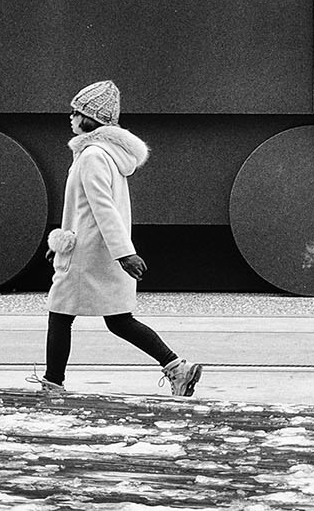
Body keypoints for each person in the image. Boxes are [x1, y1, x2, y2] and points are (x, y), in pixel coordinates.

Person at [31, 79, 204, 398]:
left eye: (75, 111)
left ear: (89, 118)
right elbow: (91, 208)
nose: (69, 117)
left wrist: (125, 253)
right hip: (98, 250)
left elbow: (101, 208)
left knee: (59, 314)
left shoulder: (93, 155)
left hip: (89, 255)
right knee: (119, 320)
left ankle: (53, 385)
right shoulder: (107, 154)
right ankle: (176, 368)